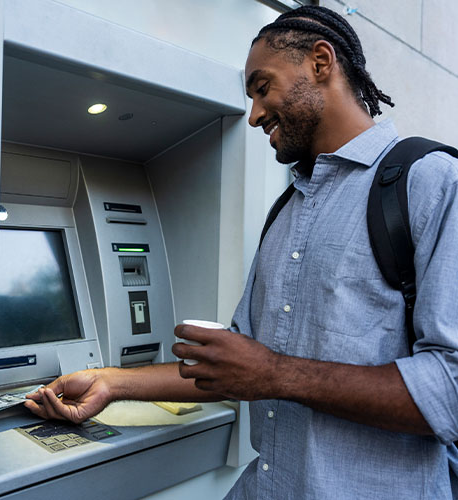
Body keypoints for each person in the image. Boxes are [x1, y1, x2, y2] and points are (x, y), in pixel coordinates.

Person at [26, 5, 458, 499]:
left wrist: (274, 374)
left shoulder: (431, 183)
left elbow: (449, 393)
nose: (252, 115)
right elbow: (236, 368)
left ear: (321, 62)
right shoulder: (289, 210)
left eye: (262, 87)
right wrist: (111, 381)